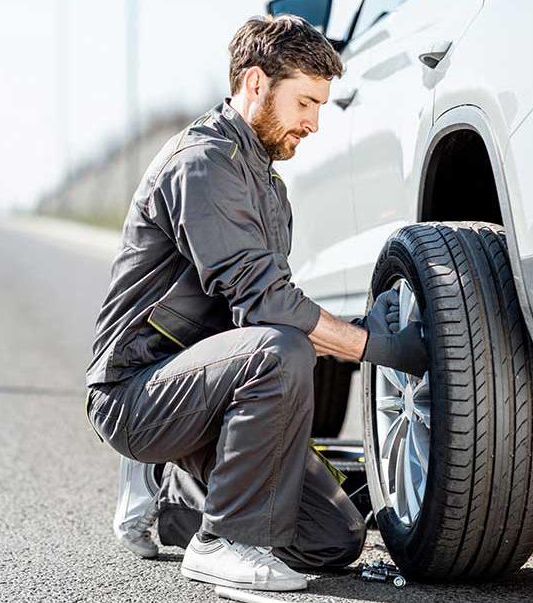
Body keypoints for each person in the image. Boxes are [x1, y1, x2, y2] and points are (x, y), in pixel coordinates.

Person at [86, 15, 428, 592]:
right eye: (305, 103)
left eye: (320, 106)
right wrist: (374, 346)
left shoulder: (270, 187)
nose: (314, 123)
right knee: (279, 350)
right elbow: (268, 311)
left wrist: (350, 332)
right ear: (254, 84)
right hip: (135, 391)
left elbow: (261, 310)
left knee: (332, 539)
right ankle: (225, 542)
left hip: (205, 389)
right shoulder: (203, 165)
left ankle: (174, 499)